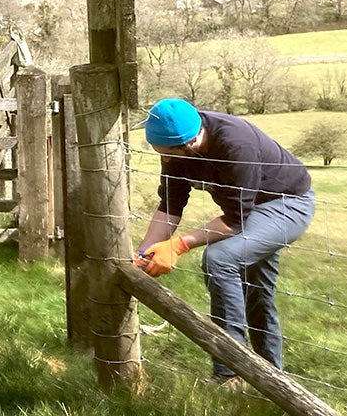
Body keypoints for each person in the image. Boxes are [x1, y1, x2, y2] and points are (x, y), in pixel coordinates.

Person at [135, 97, 315, 382]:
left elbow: (235, 220)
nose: (165, 160)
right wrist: (144, 253)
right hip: (249, 208)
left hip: (287, 204)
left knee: (220, 259)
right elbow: (170, 207)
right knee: (256, 293)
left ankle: (230, 374)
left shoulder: (234, 144)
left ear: (191, 143)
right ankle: (272, 380)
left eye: (168, 154)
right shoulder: (175, 146)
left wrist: (179, 245)